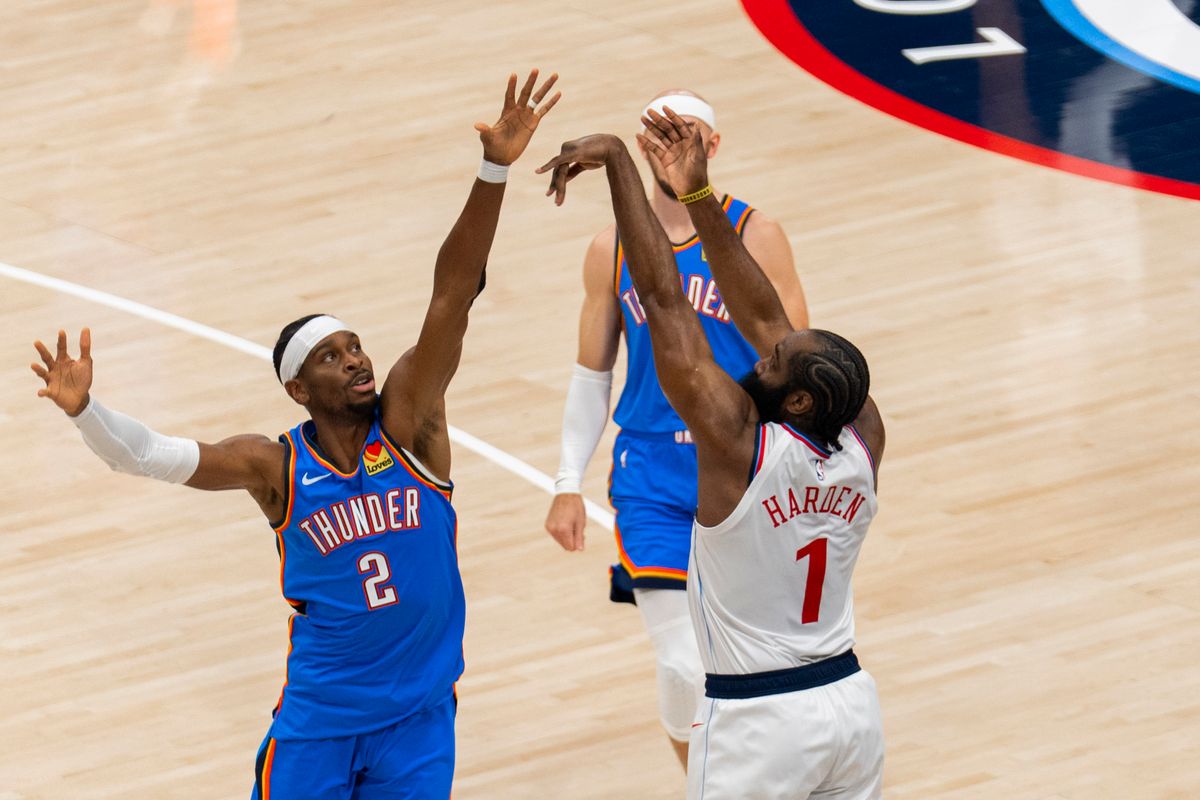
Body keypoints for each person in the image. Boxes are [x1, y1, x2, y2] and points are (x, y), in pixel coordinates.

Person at [30, 70, 560, 800]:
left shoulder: (411, 425)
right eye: (331, 356)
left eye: (355, 345)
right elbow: (149, 457)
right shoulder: (275, 466)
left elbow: (453, 292)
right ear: (298, 389)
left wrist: (493, 166)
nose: (357, 359)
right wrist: (87, 411)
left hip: (420, 719)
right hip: (322, 724)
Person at [537, 109, 884, 799]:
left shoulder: (736, 452)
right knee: (676, 662)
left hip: (760, 720)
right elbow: (766, 319)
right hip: (851, 705)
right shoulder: (864, 439)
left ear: (800, 403)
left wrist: (620, 169)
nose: (768, 347)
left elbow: (667, 306)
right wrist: (697, 195)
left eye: (778, 360)